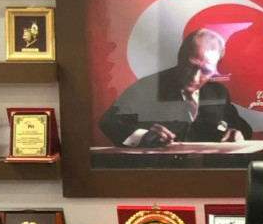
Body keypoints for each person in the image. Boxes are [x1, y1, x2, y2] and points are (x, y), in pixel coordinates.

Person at [98, 28, 253, 148]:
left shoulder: (218, 93)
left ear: (215, 70)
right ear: (180, 57)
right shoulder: (146, 88)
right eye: (192, 66)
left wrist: (237, 133)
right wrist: (144, 137)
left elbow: (243, 128)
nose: (195, 78)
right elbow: (109, 122)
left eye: (205, 71)